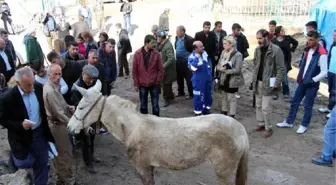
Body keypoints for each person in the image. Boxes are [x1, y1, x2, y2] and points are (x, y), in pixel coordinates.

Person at [0, 67, 54, 185]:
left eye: (32, 83)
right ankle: (14, 161)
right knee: (24, 162)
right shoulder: (8, 98)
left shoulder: (39, 88)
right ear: (18, 83)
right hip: (20, 136)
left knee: (42, 163)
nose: (31, 87)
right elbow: (3, 119)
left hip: (39, 133)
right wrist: (20, 125)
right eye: (27, 85)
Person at [277, 31, 328, 134]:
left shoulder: (322, 54)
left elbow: (324, 72)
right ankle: (289, 121)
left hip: (312, 85)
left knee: (307, 105)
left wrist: (313, 80)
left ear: (317, 40)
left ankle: (304, 125)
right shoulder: (307, 49)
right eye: (308, 39)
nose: (309, 42)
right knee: (295, 101)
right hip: (302, 81)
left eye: (311, 40)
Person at [43, 64, 77, 185]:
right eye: (55, 74)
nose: (57, 77)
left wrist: (69, 107)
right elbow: (58, 113)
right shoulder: (50, 91)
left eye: (59, 74)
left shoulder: (54, 86)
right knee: (65, 155)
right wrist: (72, 123)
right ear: (49, 74)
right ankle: (69, 180)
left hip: (59, 123)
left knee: (62, 154)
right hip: (58, 125)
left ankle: (61, 179)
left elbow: (61, 104)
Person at [252, 29, 285, 138]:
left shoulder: (276, 50)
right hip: (258, 82)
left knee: (265, 107)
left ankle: (268, 127)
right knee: (258, 105)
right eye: (257, 39)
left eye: (260, 38)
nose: (258, 41)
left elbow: (281, 69)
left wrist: (277, 82)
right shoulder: (257, 50)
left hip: (269, 83)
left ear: (267, 37)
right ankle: (261, 123)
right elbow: (255, 64)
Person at [71, 65, 101, 173]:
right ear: (83, 74)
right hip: (82, 120)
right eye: (89, 78)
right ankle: (88, 163)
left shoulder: (92, 84)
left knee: (92, 138)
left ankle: (91, 156)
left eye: (93, 79)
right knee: (85, 141)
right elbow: (79, 109)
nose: (91, 81)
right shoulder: (76, 89)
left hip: (92, 117)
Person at [132, 35, 163, 117]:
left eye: (155, 42)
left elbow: (160, 69)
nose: (154, 44)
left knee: (155, 106)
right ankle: (144, 125)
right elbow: (134, 70)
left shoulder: (156, 54)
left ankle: (156, 124)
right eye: (152, 43)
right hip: (142, 84)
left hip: (154, 84)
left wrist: (157, 82)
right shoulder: (137, 54)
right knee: (143, 106)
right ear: (146, 43)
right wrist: (136, 84)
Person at [216, 36, 244, 118]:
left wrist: (226, 71)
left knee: (231, 98)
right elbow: (218, 65)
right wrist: (219, 69)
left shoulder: (238, 55)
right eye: (223, 43)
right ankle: (224, 111)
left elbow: (238, 70)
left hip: (232, 79)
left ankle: (232, 114)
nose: (223, 45)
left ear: (231, 44)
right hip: (222, 78)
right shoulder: (223, 52)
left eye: (225, 44)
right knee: (223, 96)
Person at [271, 26, 298, 101]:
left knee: (284, 77)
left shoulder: (288, 38)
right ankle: (274, 92)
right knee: (274, 76)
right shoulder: (273, 41)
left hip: (285, 61)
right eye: (282, 30)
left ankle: (286, 92)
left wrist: (292, 50)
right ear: (278, 33)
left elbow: (296, 43)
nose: (284, 31)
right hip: (275, 61)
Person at [188, 41, 213, 116]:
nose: (203, 47)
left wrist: (210, 75)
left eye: (203, 46)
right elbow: (193, 68)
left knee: (208, 96)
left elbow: (209, 65)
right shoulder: (192, 57)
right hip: (198, 81)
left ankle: (206, 110)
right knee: (198, 97)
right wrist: (196, 58)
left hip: (207, 80)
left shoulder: (205, 54)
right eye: (201, 46)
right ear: (195, 48)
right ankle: (198, 113)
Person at [156, 29, 176, 107]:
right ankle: (171, 96)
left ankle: (167, 99)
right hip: (166, 68)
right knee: (167, 84)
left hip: (168, 70)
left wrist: (162, 67)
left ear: (161, 37)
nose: (157, 38)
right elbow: (158, 49)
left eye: (157, 36)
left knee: (165, 84)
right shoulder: (162, 43)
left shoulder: (167, 46)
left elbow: (171, 58)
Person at [319, 30, 336, 118]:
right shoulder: (333, 45)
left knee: (335, 93)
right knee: (330, 90)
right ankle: (330, 108)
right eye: (333, 36)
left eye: (335, 36)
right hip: (331, 72)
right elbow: (329, 58)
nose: (333, 38)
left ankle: (333, 112)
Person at [175, 25, 194, 99]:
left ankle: (191, 93)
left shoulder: (189, 39)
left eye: (178, 32)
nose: (176, 33)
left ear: (182, 32)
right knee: (179, 78)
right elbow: (176, 47)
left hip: (186, 62)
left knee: (189, 79)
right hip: (178, 61)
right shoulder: (176, 38)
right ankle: (181, 92)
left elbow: (193, 51)